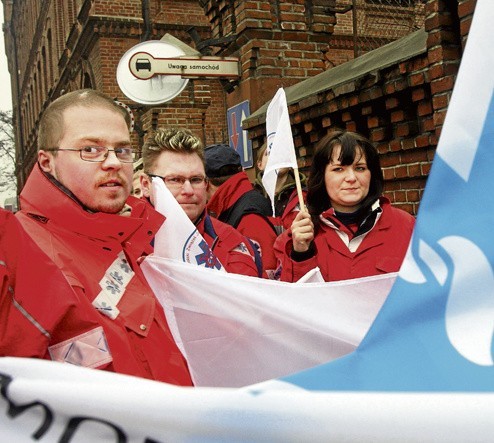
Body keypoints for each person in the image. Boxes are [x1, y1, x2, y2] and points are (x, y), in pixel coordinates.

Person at [15, 89, 192, 386]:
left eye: (122, 150)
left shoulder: (126, 236)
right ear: (47, 162)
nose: (113, 162)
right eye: (90, 150)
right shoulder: (23, 254)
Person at [275, 130, 415, 282]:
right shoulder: (294, 239)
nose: (351, 178)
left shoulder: (406, 227)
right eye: (338, 169)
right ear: (321, 176)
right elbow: (289, 301)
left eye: (360, 168)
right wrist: (300, 254)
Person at [139, 127, 260, 277]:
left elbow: (271, 296)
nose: (188, 190)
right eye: (175, 180)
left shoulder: (237, 244)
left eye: (196, 180)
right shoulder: (124, 248)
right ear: (146, 185)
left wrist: (296, 255)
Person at [204, 144, 279, 279]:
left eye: (195, 180)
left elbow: (267, 275)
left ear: (206, 183)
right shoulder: (236, 202)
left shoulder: (249, 217)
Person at [254, 141, 307, 230]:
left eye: (280, 152)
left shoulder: (304, 195)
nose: (275, 156)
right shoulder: (251, 196)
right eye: (269, 153)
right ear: (260, 165)